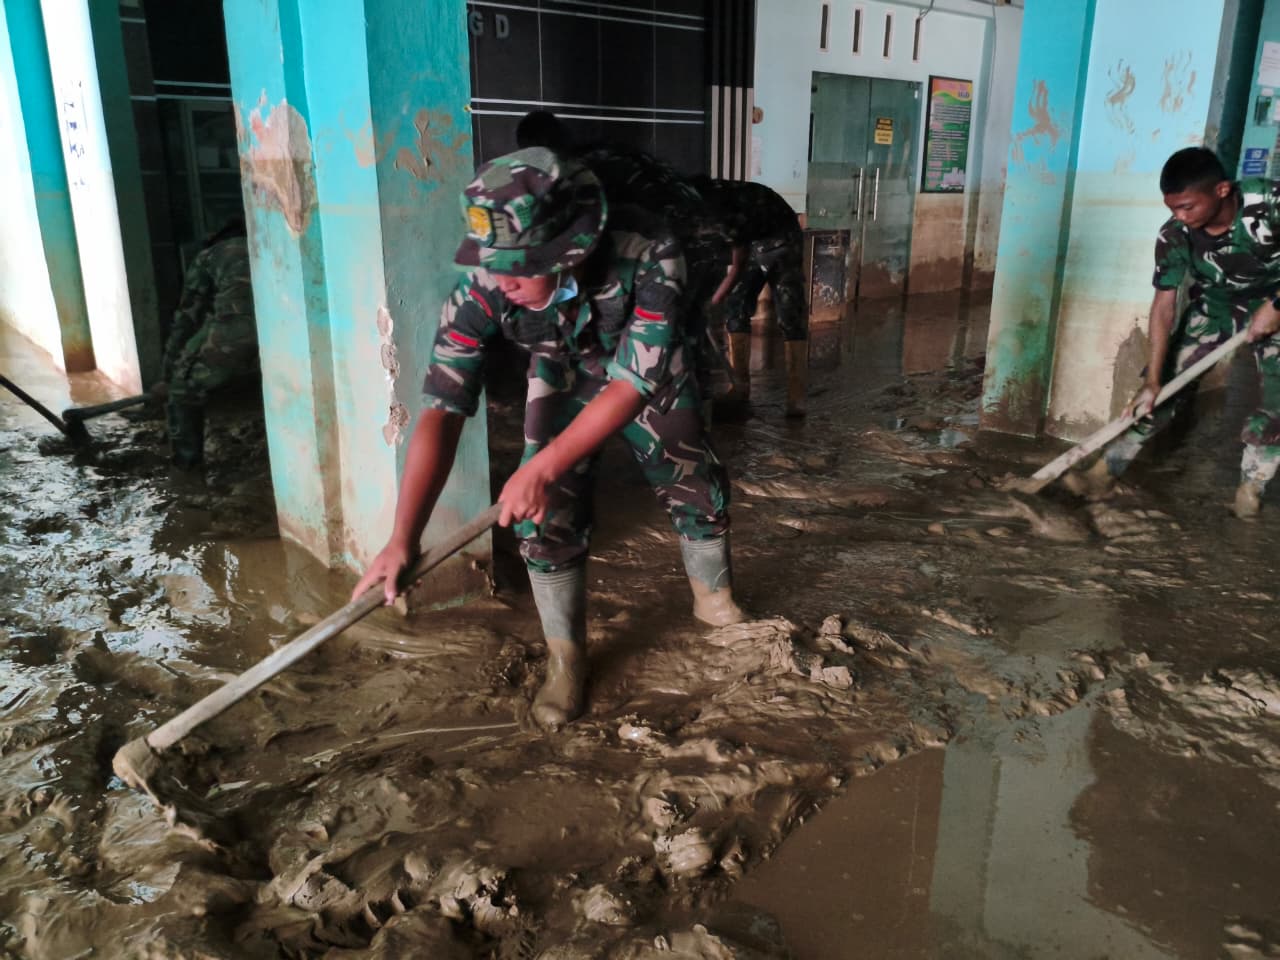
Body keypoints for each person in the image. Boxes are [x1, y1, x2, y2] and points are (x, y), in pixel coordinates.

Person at [352, 147, 747, 731]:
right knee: (544, 514)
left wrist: (541, 466)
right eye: (496, 263)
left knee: (688, 472)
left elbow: (635, 382)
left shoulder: (651, 252)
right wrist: (402, 537)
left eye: (521, 265)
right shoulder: (484, 288)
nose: (503, 279)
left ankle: (715, 604)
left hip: (645, 369)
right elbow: (441, 409)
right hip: (560, 366)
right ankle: (566, 660)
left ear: (571, 250)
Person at [1063, 147, 1280, 518]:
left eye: (1187, 207)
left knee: (1276, 403)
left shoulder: (1269, 203)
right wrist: (1153, 376)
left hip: (1275, 299)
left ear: (1222, 191)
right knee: (1158, 391)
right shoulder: (1175, 235)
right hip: (1217, 304)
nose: (1179, 216)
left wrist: (1275, 307)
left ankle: (1250, 490)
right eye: (1172, 208)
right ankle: (1104, 473)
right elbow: (1163, 306)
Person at [692, 176, 809, 418]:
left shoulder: (725, 210)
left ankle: (796, 396)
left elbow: (737, 265)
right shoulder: (694, 204)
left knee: (789, 309)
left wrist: (714, 299)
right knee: (736, 307)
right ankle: (740, 387)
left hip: (782, 234)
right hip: (754, 237)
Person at [151, 219, 258, 467]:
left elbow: (186, 320)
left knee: (183, 388)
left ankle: (186, 466)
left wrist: (168, 377)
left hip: (241, 328)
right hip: (285, 331)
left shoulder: (208, 257)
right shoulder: (265, 243)